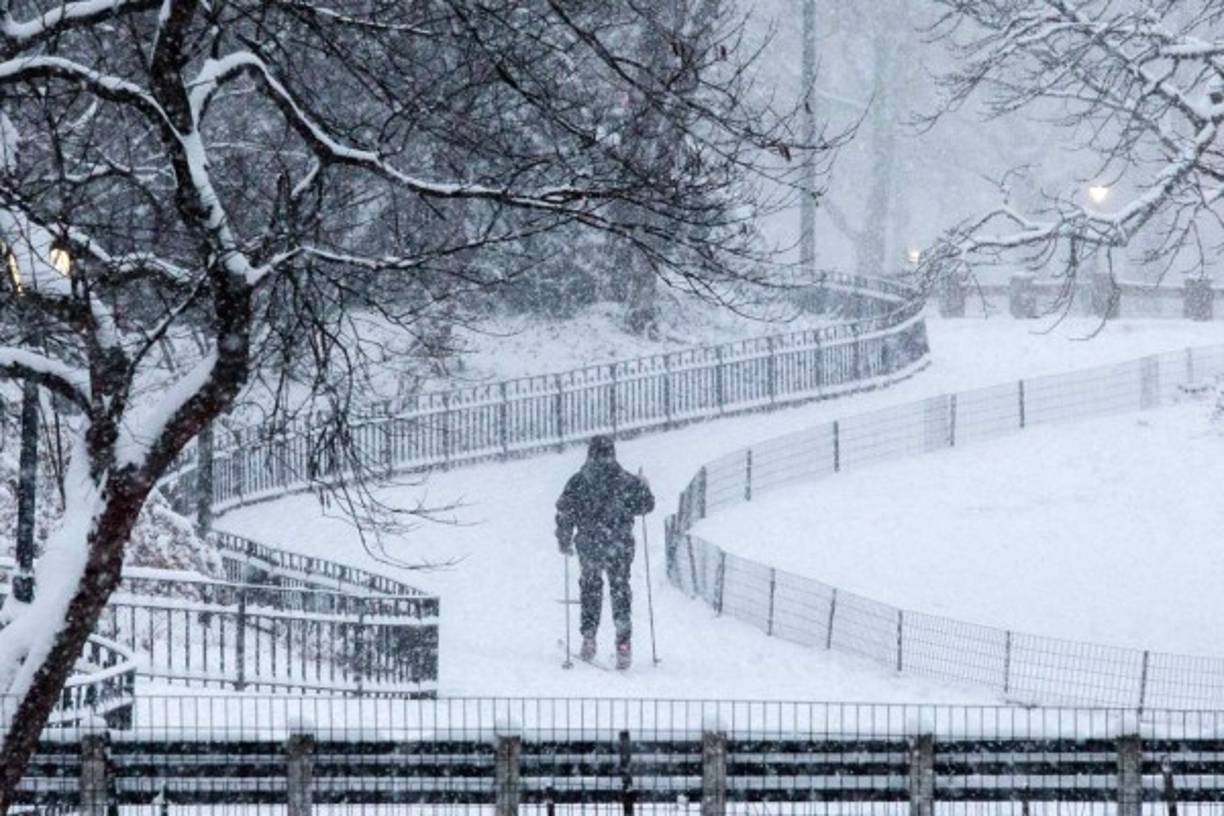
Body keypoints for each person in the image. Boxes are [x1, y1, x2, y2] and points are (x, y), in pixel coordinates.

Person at [555, 434, 654, 669]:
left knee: (590, 587)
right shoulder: (626, 480)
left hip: (590, 543)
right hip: (619, 544)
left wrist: (565, 539)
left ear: (590, 453)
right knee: (620, 588)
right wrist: (644, 486)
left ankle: (589, 636)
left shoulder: (578, 481)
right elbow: (645, 506)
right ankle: (623, 644)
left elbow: (565, 511)